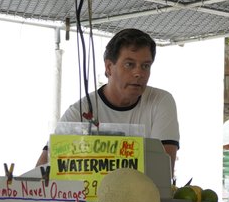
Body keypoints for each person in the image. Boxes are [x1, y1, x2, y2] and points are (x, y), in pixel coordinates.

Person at [37, 28, 180, 170]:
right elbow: (42, 170)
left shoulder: (161, 101)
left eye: (145, 66)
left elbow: (164, 169)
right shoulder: (79, 111)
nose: (138, 73)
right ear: (109, 67)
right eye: (129, 64)